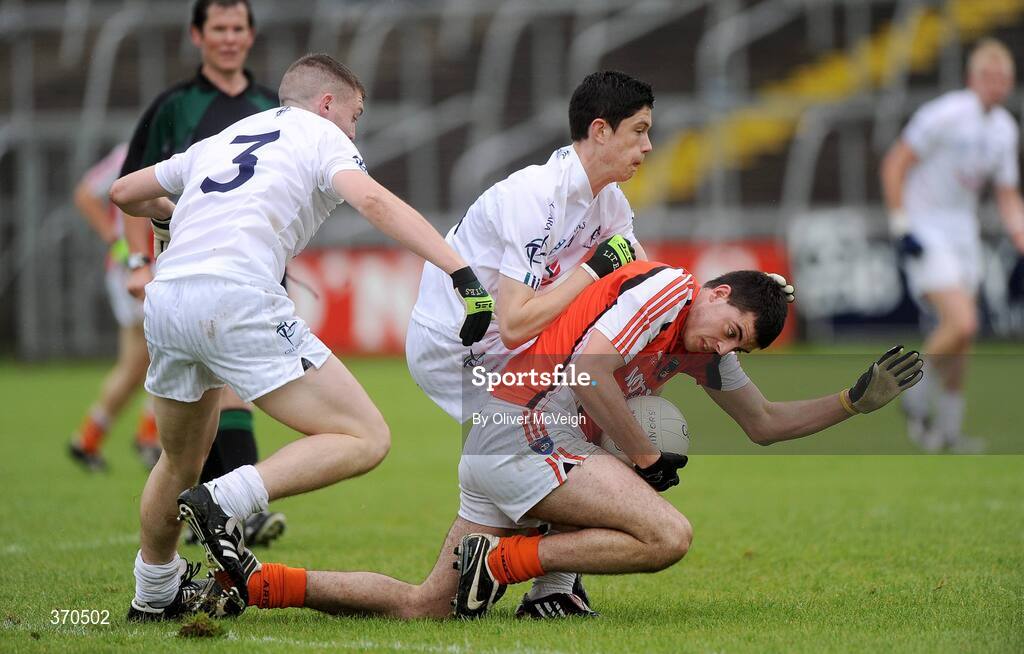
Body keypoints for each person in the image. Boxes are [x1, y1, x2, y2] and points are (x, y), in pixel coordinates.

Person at [215, 265, 921, 621]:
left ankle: (260, 583)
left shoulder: (701, 342)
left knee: (423, 606)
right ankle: (514, 565)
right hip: (519, 431)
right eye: (729, 328)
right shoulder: (671, 289)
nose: (722, 345)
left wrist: (851, 404)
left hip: (506, 441)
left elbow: (763, 423)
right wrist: (644, 458)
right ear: (714, 291)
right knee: (668, 536)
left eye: (738, 345)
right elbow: (587, 369)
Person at [110, 53, 494, 621]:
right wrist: (461, 272)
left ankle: (153, 593)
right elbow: (372, 199)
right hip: (236, 294)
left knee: (177, 458)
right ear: (327, 103)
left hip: (169, 301)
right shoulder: (322, 133)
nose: (356, 130)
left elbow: (124, 192)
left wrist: (171, 221)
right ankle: (225, 499)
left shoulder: (225, 137)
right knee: (365, 436)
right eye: (356, 114)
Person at [405, 70, 652, 616]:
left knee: (598, 403)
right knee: (567, 428)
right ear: (600, 131)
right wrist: (593, 272)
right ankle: (541, 582)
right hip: (457, 349)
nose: (648, 146)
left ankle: (498, 571)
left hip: (509, 348)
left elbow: (642, 279)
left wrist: (723, 300)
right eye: (638, 131)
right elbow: (516, 323)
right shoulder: (532, 196)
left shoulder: (608, 203)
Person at [119, 0, 286, 545]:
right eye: (219, 28)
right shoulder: (173, 107)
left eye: (239, 28)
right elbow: (131, 191)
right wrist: (138, 262)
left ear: (252, 36)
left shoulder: (272, 108)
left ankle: (223, 510)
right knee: (205, 407)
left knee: (232, 393)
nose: (230, 38)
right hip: (187, 275)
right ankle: (225, 508)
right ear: (198, 35)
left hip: (254, 270)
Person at [881, 38, 1024, 453]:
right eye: (988, 76)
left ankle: (946, 432)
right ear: (971, 77)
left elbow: (1007, 194)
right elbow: (895, 164)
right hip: (927, 227)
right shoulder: (944, 114)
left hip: (964, 232)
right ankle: (910, 392)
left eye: (1004, 79)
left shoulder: (1004, 128)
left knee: (963, 338)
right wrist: (900, 226)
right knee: (963, 322)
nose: (996, 85)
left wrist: (1019, 232)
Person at [68, 143, 161, 472]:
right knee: (159, 354)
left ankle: (91, 439)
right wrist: (114, 239)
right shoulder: (132, 151)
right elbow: (85, 193)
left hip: (158, 265)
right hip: (134, 267)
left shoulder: (189, 144)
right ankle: (147, 438)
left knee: (141, 362)